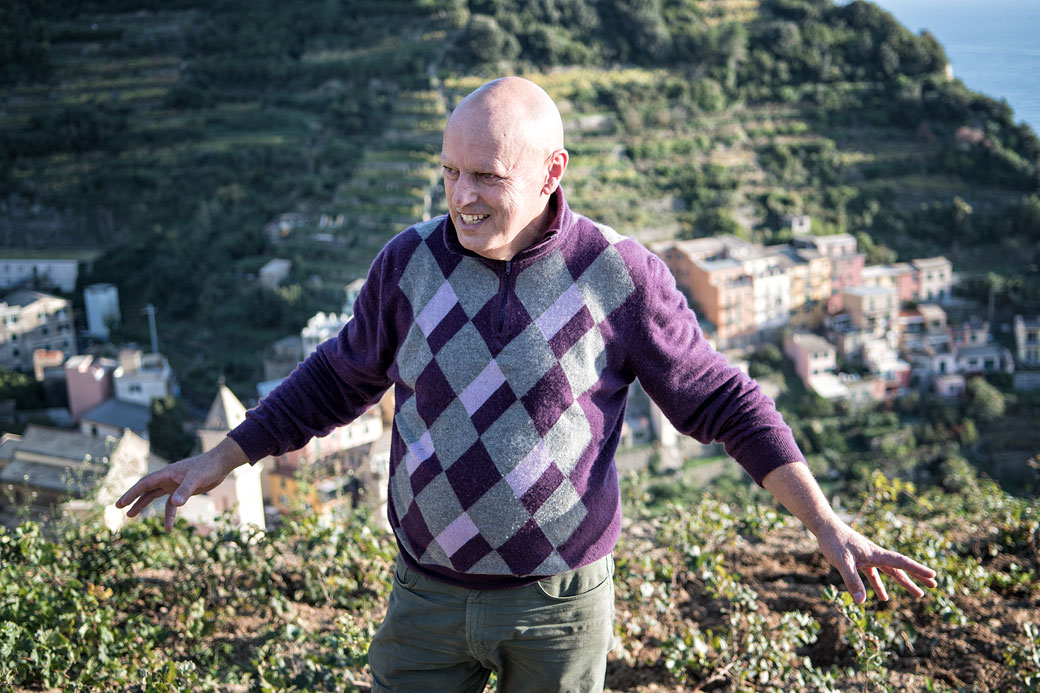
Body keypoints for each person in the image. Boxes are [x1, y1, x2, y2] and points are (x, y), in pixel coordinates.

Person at [117, 76, 937, 692]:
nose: (461, 198)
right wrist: (223, 456)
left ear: (552, 171)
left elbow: (722, 399)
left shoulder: (619, 274)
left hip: (559, 608)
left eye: (487, 177)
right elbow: (338, 378)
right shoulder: (408, 262)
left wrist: (827, 525)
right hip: (425, 598)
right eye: (449, 173)